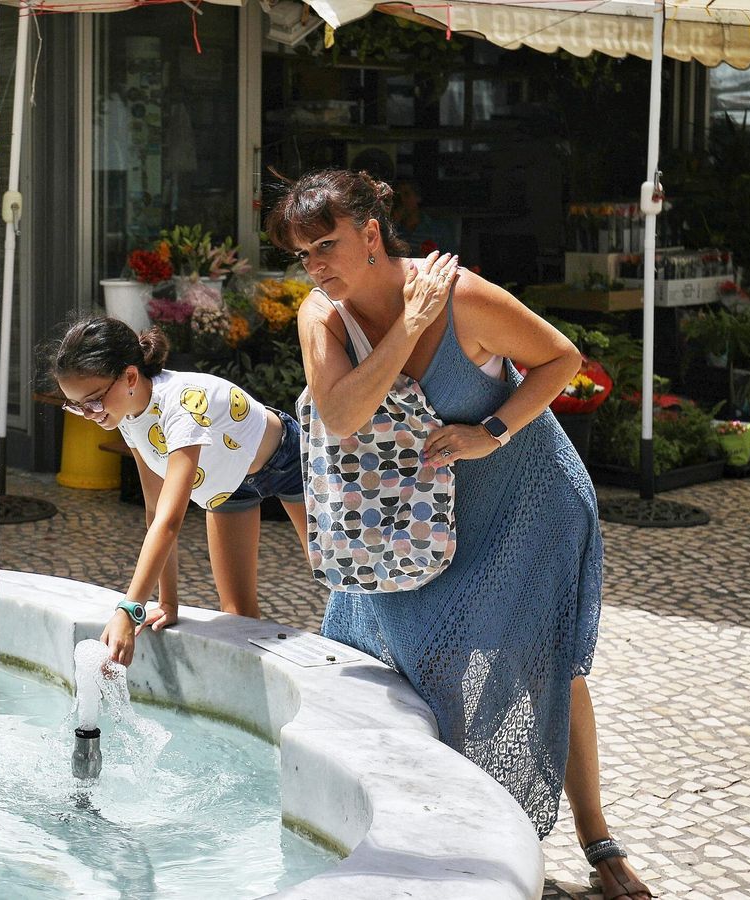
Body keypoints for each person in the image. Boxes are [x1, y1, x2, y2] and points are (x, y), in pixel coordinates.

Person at [267, 168, 651, 900]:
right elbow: (343, 414)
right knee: (399, 660)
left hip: (523, 499)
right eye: (303, 256)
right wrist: (406, 327)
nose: (316, 268)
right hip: (405, 523)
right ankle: (431, 835)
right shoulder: (322, 314)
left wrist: (493, 432)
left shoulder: (463, 296)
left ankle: (598, 841)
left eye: (328, 246)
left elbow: (562, 359)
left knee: (547, 663)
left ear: (371, 233)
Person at [48, 316, 307, 667]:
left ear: (129, 377)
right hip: (226, 487)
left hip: (284, 459)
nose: (90, 415)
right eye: (77, 406)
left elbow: (171, 520)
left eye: (93, 401)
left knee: (335, 574)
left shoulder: (182, 405)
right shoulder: (124, 412)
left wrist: (129, 607)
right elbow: (155, 510)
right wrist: (167, 602)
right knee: (238, 615)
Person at [390, 179, 458, 256]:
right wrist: (394, 224)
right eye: (398, 197)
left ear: (418, 197)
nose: (402, 200)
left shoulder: (438, 229)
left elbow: (452, 258)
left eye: (407, 194)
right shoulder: (393, 230)